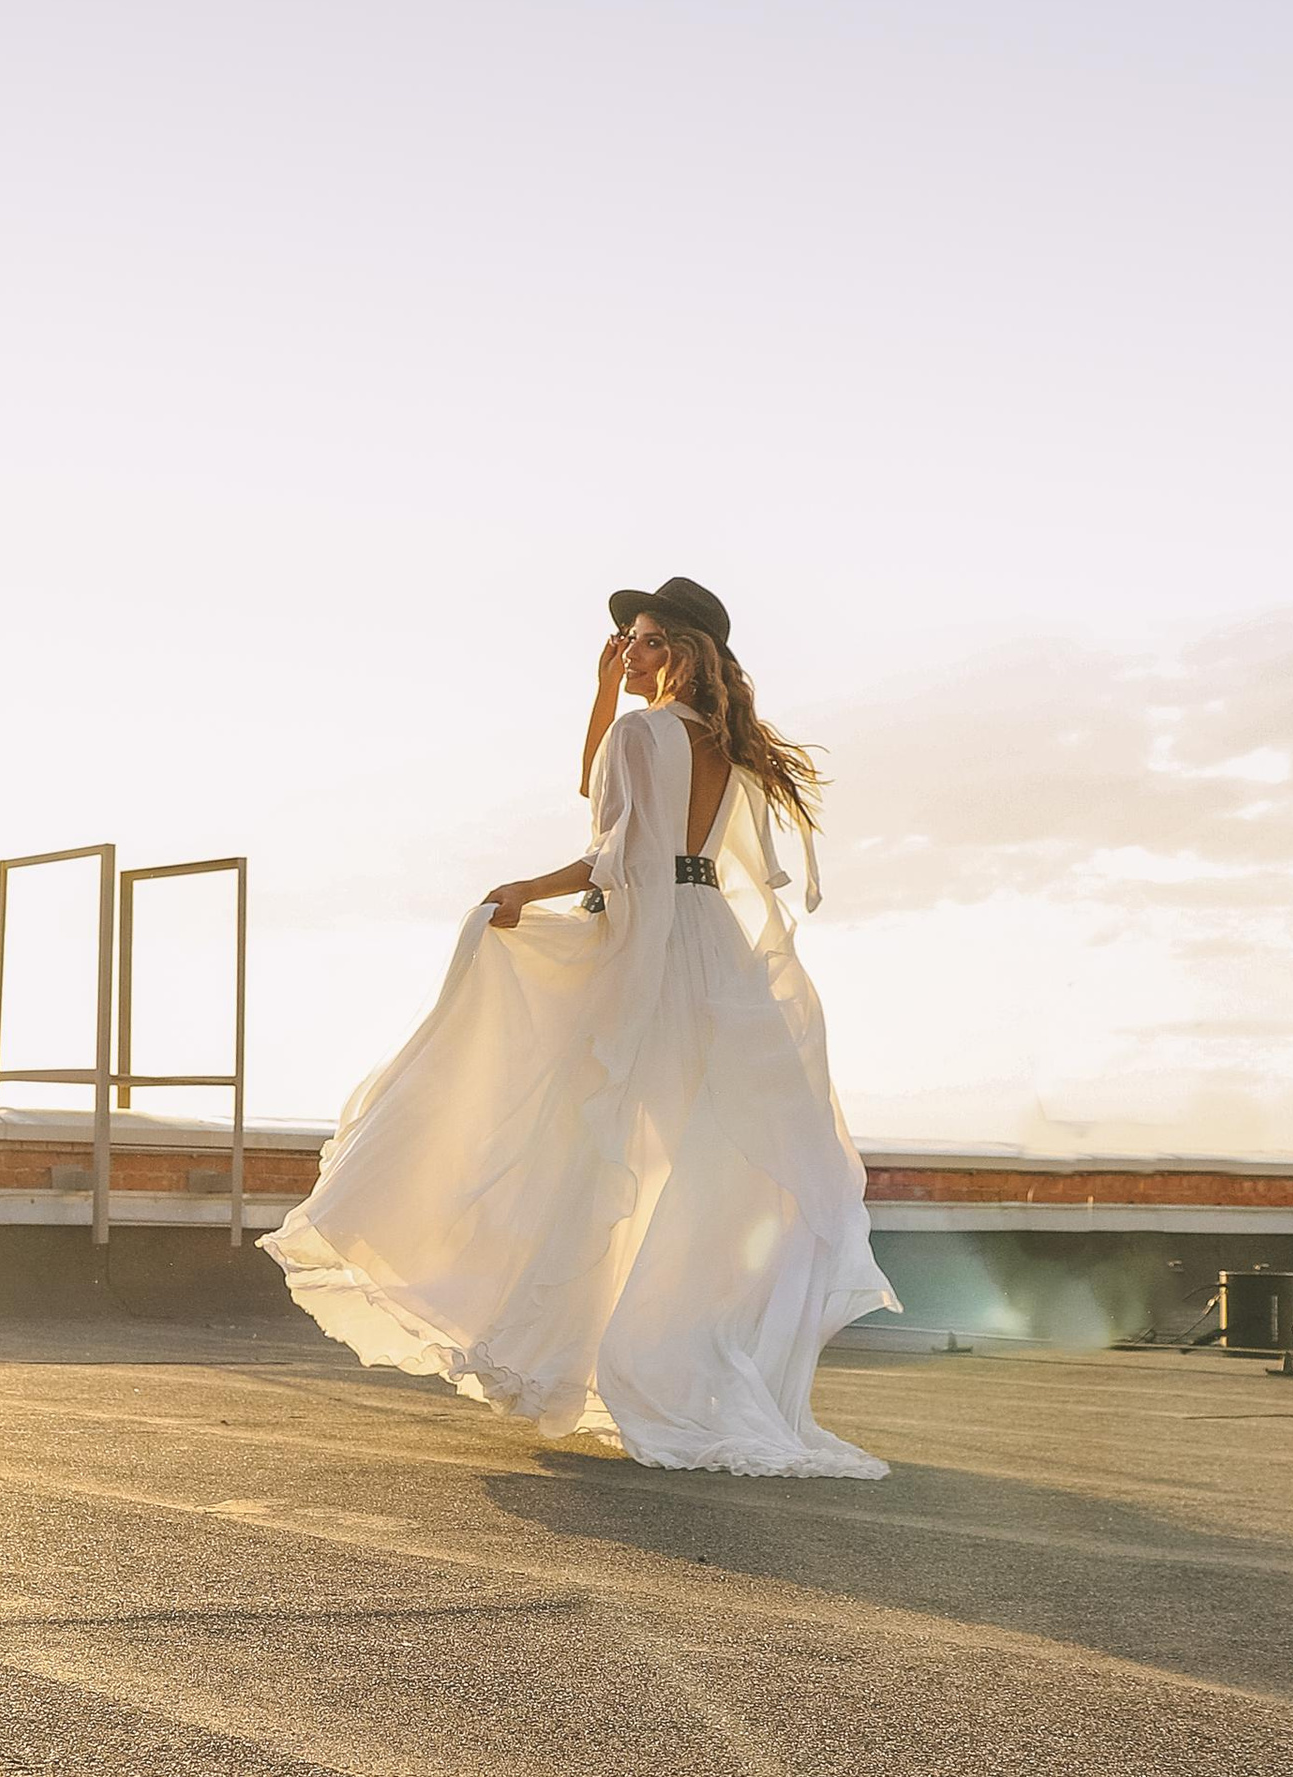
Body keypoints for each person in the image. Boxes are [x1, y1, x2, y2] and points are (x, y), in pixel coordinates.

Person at [262, 576, 895, 1476]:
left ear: (674, 648)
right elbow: (629, 812)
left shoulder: (644, 732)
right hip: (713, 947)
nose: (623, 655)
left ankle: (586, 1347)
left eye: (637, 642)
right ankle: (670, 1358)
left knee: (573, 1126)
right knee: (688, 1159)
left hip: (650, 948)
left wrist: (526, 889)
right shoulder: (727, 744)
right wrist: (605, 698)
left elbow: (613, 846)